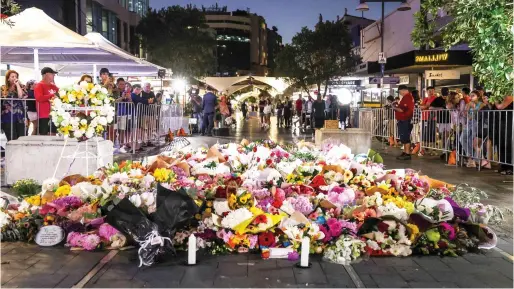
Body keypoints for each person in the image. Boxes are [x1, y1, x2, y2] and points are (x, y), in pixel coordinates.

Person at [462, 90, 485, 168]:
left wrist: (474, 107)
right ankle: (470, 157)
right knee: (462, 139)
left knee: (472, 141)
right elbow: (466, 115)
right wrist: (467, 109)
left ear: (478, 96)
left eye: (473, 95)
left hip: (477, 123)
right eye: (470, 95)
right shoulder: (469, 104)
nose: (471, 97)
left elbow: (476, 114)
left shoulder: (481, 104)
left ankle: (473, 160)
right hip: (469, 123)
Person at [1, 70, 26, 140]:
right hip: (7, 116)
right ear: (8, 78)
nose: (14, 78)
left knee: (21, 138)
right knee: (11, 138)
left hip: (19, 116)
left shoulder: (22, 87)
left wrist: (17, 85)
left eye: (16, 76)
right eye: (12, 76)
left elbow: (20, 96)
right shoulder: (3, 88)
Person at [34, 67, 59, 135]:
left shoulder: (53, 86)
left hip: (54, 114)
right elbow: (39, 97)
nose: (54, 75)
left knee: (53, 133)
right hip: (43, 115)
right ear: (46, 74)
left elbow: (60, 94)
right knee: (43, 134)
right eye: (52, 74)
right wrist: (52, 96)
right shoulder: (39, 85)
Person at [393, 85, 414, 160]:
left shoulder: (407, 97)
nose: (400, 93)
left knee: (405, 137)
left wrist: (394, 107)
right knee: (404, 137)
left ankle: (407, 153)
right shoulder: (407, 97)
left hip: (405, 119)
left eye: (399, 92)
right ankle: (405, 152)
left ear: (403, 90)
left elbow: (402, 110)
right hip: (404, 119)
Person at [494, 95, 513, 175]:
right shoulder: (500, 96)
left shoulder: (510, 97)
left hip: (509, 122)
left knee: (508, 144)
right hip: (501, 122)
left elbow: (500, 106)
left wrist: (495, 100)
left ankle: (509, 167)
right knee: (501, 143)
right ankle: (503, 165)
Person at [419, 86, 437, 156]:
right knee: (425, 133)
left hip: (432, 118)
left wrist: (425, 106)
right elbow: (422, 107)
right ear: (427, 92)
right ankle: (425, 148)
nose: (431, 92)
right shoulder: (425, 99)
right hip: (424, 118)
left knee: (432, 133)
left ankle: (432, 149)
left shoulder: (435, 98)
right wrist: (425, 106)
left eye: (432, 90)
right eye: (429, 91)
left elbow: (425, 106)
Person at [410, 90, 422, 154]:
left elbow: (419, 110)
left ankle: (417, 145)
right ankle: (415, 144)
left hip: (417, 119)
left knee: (415, 132)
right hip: (414, 119)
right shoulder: (414, 101)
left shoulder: (418, 101)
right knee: (413, 132)